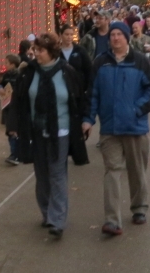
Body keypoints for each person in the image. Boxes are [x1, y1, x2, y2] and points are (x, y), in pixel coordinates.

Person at [6, 33, 89, 238]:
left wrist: (85, 121)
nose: (36, 54)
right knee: (41, 175)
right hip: (36, 130)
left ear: (51, 52)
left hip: (60, 130)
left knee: (57, 173)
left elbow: (78, 99)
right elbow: (19, 100)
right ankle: (46, 213)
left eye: (40, 50)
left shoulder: (67, 72)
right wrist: (14, 125)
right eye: (35, 50)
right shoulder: (29, 73)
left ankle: (57, 220)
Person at [83, 21, 150, 235]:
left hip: (135, 127)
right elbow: (93, 94)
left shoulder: (140, 61)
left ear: (127, 37)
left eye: (119, 34)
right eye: (112, 35)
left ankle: (139, 208)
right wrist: (88, 119)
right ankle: (112, 220)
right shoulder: (100, 63)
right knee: (112, 171)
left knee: (136, 171)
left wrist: (136, 109)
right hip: (109, 128)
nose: (115, 38)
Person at [0, 54, 22, 165]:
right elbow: (0, 84)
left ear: (13, 64)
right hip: (7, 105)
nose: (5, 65)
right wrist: (1, 89)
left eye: (7, 63)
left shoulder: (20, 75)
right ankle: (14, 153)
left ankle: (15, 154)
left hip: (16, 106)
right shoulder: (6, 75)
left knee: (14, 130)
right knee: (9, 130)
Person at [59, 24, 93, 97]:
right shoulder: (57, 52)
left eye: (71, 35)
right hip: (61, 90)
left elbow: (89, 69)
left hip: (78, 91)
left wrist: (86, 88)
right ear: (61, 35)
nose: (69, 37)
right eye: (67, 34)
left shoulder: (80, 50)